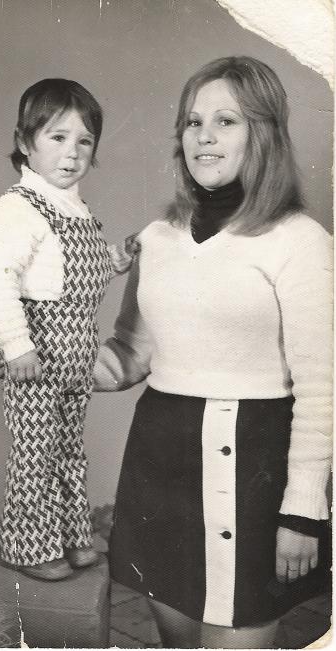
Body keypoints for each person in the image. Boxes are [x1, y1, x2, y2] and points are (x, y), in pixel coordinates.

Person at [91, 56, 332, 648]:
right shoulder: (157, 238)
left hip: (253, 464)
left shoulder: (301, 242)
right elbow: (130, 356)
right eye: (193, 122)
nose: (203, 135)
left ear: (263, 133)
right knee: (177, 636)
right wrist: (47, 361)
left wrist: (302, 511)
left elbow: (323, 387)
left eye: (226, 121)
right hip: (159, 456)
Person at [0, 79, 137, 582]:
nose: (72, 153)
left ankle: (71, 538)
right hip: (38, 355)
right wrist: (16, 346)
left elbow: (80, 271)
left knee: (68, 450)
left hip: (77, 355)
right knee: (35, 454)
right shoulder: (19, 206)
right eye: (57, 137)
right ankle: (28, 548)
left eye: (85, 141)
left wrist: (119, 258)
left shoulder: (75, 206)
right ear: (25, 142)